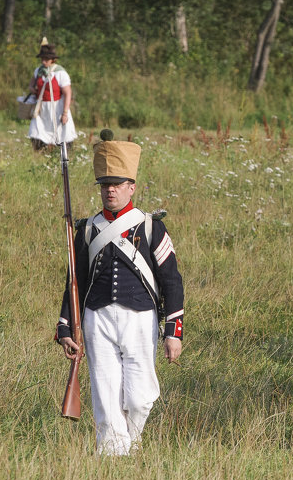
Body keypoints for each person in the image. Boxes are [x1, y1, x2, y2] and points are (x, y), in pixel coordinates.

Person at [57, 130, 183, 456]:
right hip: (96, 318)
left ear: (132, 187)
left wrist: (173, 331)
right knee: (105, 395)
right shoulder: (86, 229)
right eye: (105, 185)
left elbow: (172, 281)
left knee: (140, 398)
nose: (110, 190)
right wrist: (66, 327)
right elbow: (75, 282)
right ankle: (114, 463)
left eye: (117, 184)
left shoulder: (152, 227)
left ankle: (128, 444)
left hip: (141, 318)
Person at [26, 38, 77, 151]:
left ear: (53, 59)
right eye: (42, 59)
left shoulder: (60, 73)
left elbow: (68, 93)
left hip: (57, 107)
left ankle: (63, 155)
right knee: (37, 131)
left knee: (62, 132)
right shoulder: (38, 71)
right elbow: (31, 84)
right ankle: (41, 154)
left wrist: (65, 113)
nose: (44, 61)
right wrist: (32, 89)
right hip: (42, 107)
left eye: (46, 59)